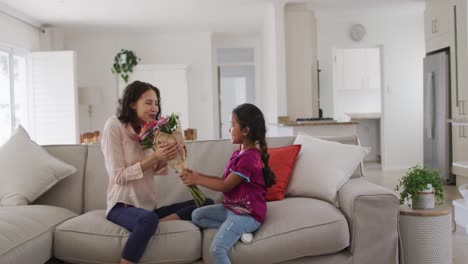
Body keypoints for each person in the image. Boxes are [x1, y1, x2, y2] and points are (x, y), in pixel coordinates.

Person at [101, 80, 213, 264]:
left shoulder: (153, 130)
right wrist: (154, 157)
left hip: (147, 208)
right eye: (148, 102)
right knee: (148, 220)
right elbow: (118, 177)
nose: (154, 108)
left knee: (205, 202)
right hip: (121, 206)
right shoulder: (114, 126)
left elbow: (155, 169)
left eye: (156, 103)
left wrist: (172, 155)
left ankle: (150, 225)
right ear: (132, 103)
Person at [181, 103, 275, 264]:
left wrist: (198, 180)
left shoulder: (249, 159)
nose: (229, 129)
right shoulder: (238, 153)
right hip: (231, 209)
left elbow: (226, 186)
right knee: (197, 215)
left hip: (248, 214)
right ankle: (238, 232)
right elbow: (224, 180)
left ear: (245, 130)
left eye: (232, 125)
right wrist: (197, 175)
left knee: (216, 250)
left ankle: (240, 228)